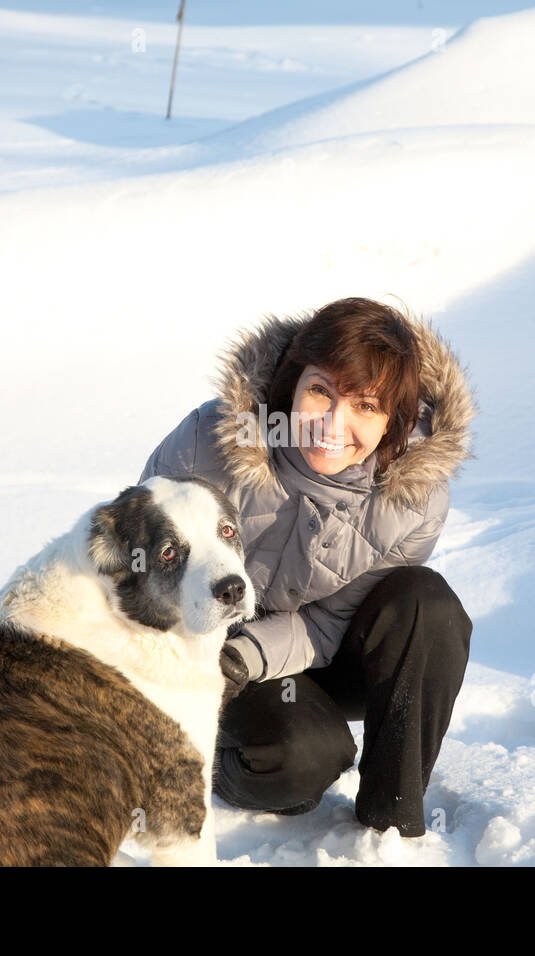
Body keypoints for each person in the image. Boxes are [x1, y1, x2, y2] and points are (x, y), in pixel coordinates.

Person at [137, 297, 476, 837]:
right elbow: (143, 567)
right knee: (301, 762)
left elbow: (329, 622)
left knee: (426, 603)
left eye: (367, 405)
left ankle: (390, 822)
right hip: (201, 647)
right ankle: (214, 759)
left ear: (396, 420)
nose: (334, 424)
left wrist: (243, 659)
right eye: (322, 391)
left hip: (314, 650)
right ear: (293, 383)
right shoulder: (210, 442)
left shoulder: (415, 498)